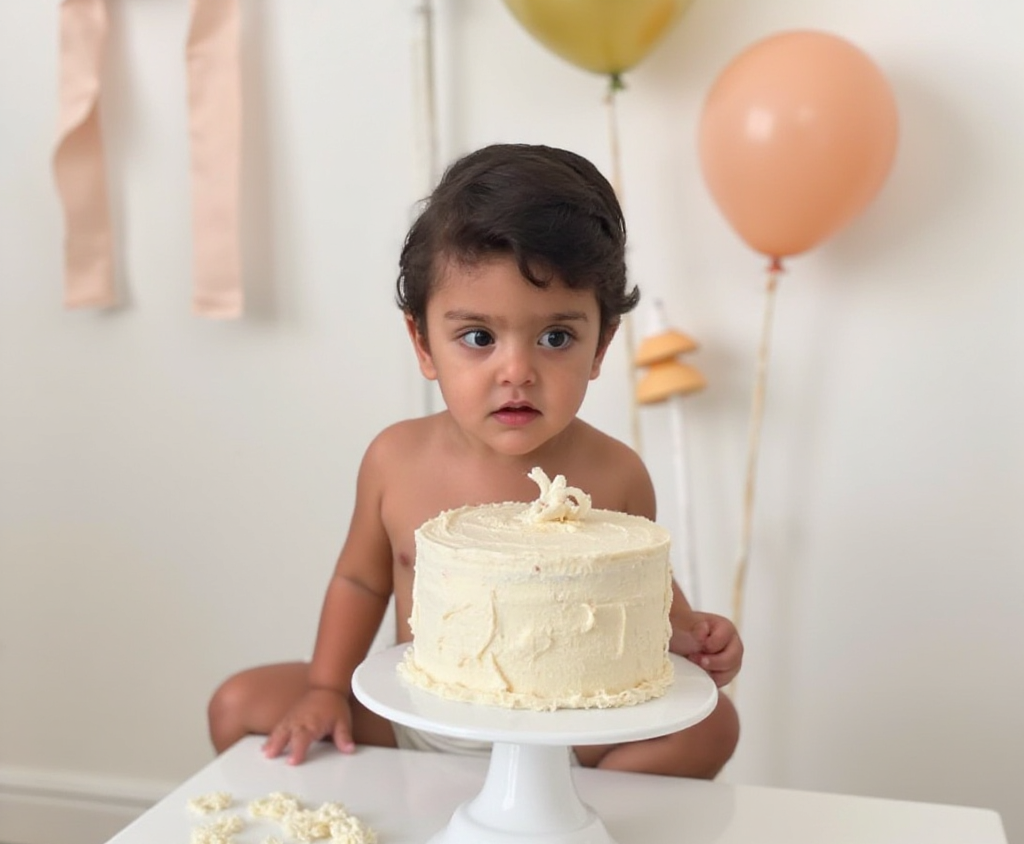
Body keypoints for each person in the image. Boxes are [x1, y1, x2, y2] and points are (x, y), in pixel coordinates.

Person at [208, 143, 742, 777]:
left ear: (601, 345)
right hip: (417, 716)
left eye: (555, 338)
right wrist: (326, 689)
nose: (516, 372)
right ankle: (425, 814)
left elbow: (640, 594)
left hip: (566, 738)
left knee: (712, 727)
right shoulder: (396, 460)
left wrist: (687, 632)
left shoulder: (616, 473)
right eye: (479, 338)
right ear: (423, 342)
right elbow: (360, 580)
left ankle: (556, 825)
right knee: (236, 704)